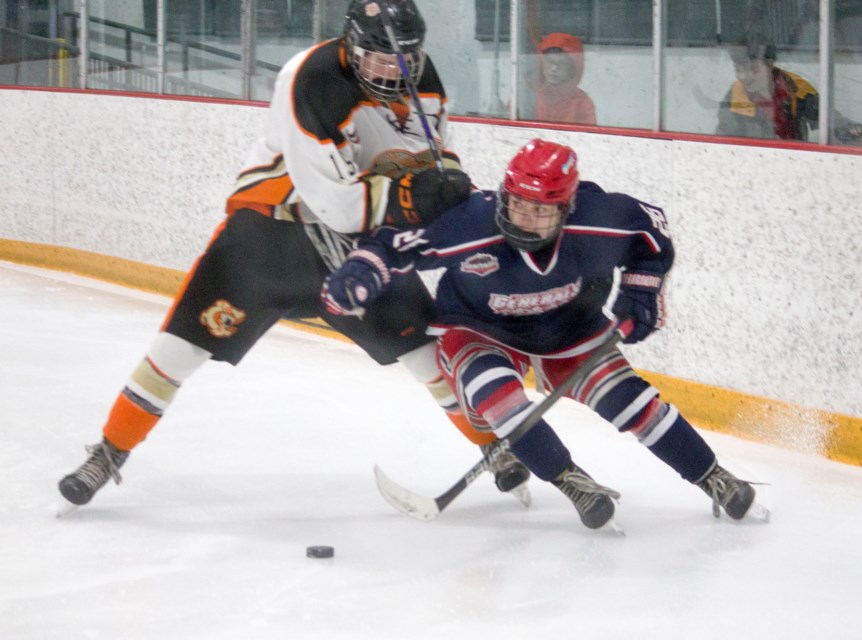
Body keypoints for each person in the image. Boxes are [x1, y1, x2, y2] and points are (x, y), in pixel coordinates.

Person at [58, 0, 531, 508]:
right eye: (378, 59)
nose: (393, 71)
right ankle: (109, 452)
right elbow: (337, 204)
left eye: (405, 57)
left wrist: (446, 188)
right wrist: (415, 197)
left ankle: (494, 446)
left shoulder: (420, 74)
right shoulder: (310, 79)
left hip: (354, 251)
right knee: (179, 348)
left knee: (425, 353)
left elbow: (423, 155)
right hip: (268, 237)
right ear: (352, 46)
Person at [323, 139, 759, 530]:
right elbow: (396, 246)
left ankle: (713, 477)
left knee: (633, 403)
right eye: (516, 203)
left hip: (569, 328)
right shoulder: (473, 224)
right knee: (496, 397)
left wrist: (641, 292)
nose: (524, 218)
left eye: (540, 210)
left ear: (566, 209)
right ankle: (573, 482)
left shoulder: (601, 220)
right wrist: (361, 271)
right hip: (478, 328)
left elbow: (653, 235)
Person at [717, 31, 862, 143]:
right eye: (738, 69)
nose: (743, 76)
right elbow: (722, 137)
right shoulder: (735, 95)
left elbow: (827, 118)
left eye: (752, 69)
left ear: (770, 63)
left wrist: (849, 128)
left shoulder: (795, 88)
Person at [535, 32, 597, 125]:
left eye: (561, 63)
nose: (554, 68)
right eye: (549, 62)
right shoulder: (527, 96)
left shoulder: (582, 103)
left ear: (572, 68)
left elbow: (587, 137)